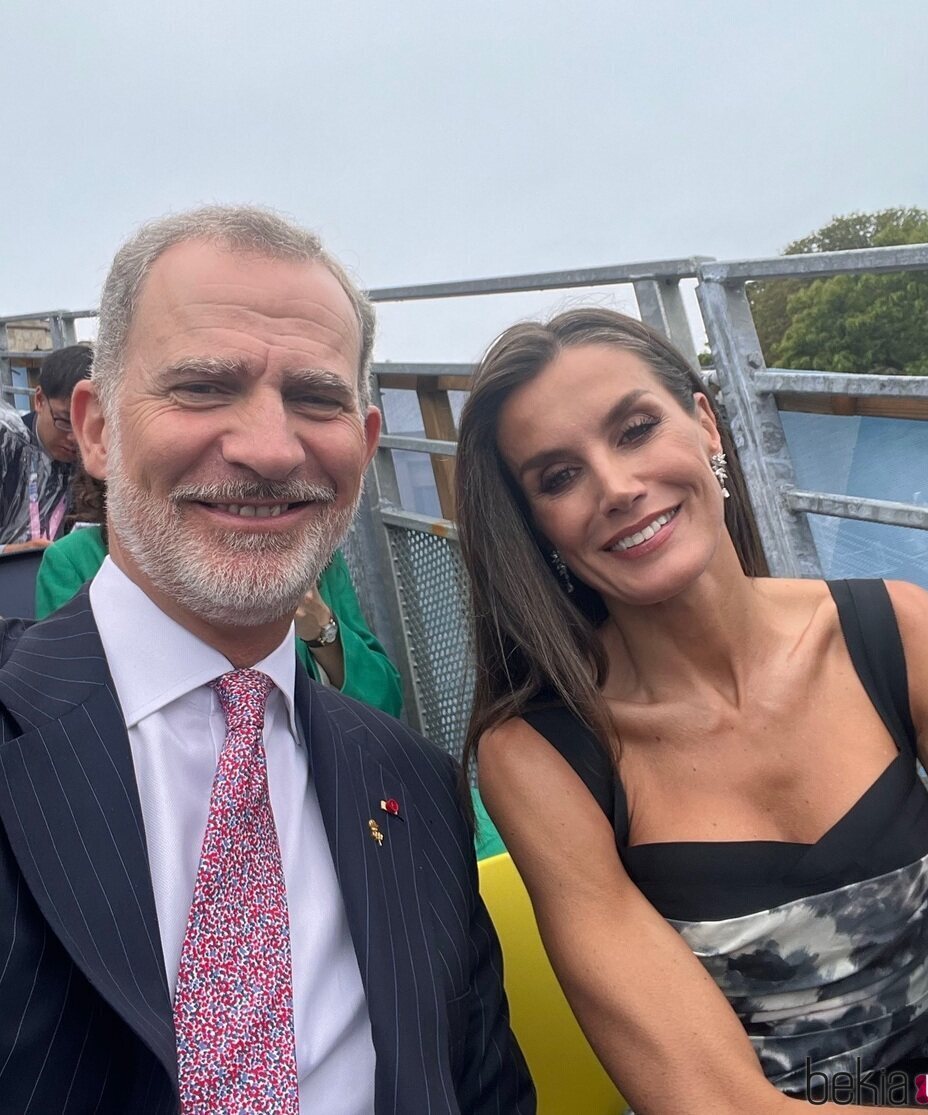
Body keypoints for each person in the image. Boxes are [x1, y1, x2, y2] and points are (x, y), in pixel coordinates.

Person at [0, 206, 534, 1115]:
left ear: (363, 449)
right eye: (204, 388)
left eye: (316, 399)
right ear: (95, 428)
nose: (269, 448)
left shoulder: (416, 788)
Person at [454, 307, 928, 1114]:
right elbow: (718, 1103)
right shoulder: (539, 755)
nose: (618, 487)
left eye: (634, 429)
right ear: (539, 530)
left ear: (705, 423)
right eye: (559, 477)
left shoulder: (900, 633)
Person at [34, 477, 403, 714]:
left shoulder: (315, 555)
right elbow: (66, 712)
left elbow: (383, 702)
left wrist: (321, 628)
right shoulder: (76, 562)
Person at [0, 342, 93, 551]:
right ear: (39, 400)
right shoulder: (7, 448)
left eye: (86, 425)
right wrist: (10, 552)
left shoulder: (98, 454)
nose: (74, 438)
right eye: (65, 421)